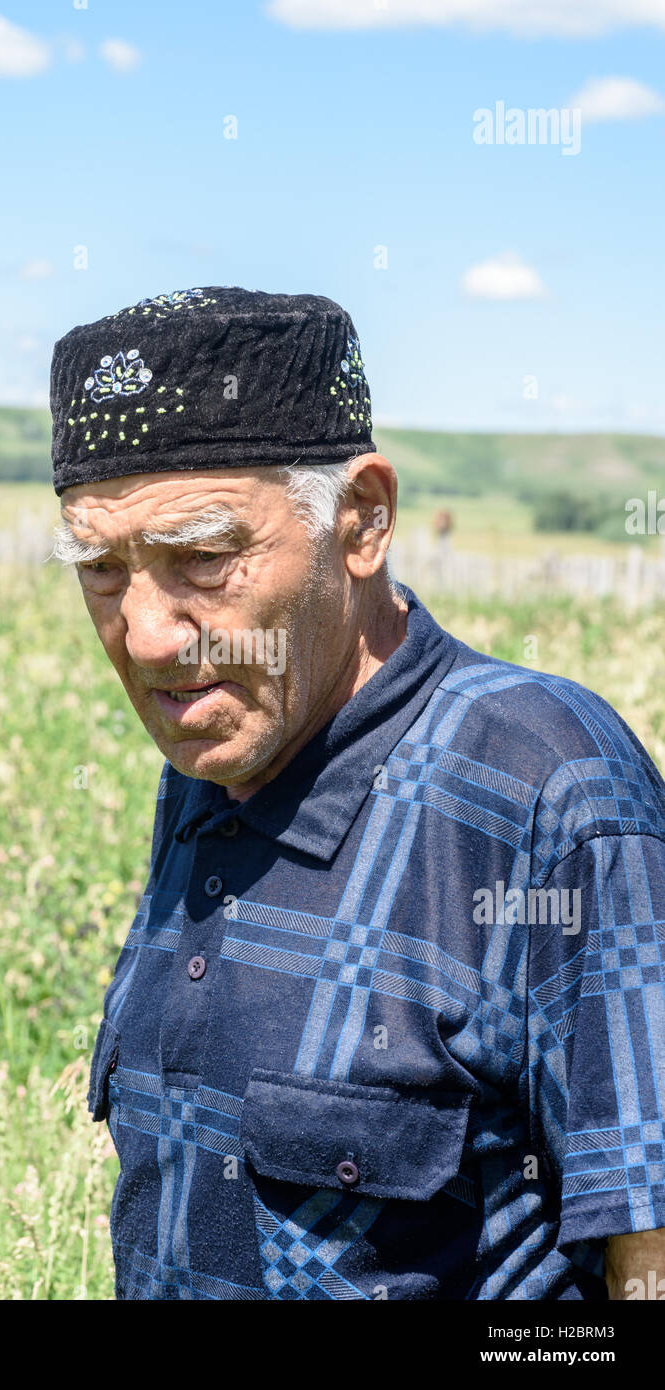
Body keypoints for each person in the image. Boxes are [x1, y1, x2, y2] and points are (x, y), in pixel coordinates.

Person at [49, 286, 665, 1300]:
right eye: (102, 568)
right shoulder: (214, 761)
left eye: (204, 556)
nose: (150, 632)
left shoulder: (554, 792)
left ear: (363, 520)